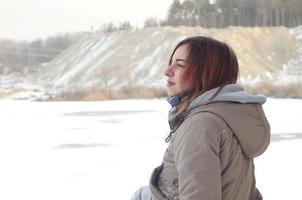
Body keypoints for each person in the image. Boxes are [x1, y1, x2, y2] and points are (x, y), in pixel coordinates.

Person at [131, 36, 270, 200]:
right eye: (171, 62)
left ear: (207, 73)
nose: (167, 71)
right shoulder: (231, 116)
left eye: (180, 65)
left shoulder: (201, 125)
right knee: (142, 193)